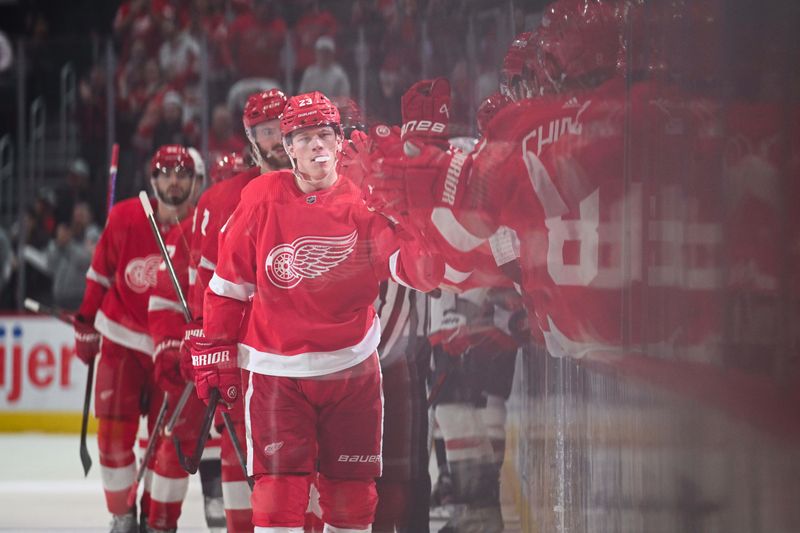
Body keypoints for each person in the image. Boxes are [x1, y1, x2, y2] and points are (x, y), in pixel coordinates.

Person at [190, 91, 444, 532]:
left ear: (340, 140)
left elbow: (418, 272)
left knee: (351, 498)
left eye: (324, 135)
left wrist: (406, 212)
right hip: (277, 374)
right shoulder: (260, 198)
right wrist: (217, 351)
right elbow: (228, 288)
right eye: (304, 138)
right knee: (277, 497)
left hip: (351, 371)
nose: (316, 146)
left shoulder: (365, 201)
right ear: (287, 148)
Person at [73, 144, 198, 532]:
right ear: (152, 179)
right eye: (165, 173)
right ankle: (123, 517)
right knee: (111, 437)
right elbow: (99, 276)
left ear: (194, 182)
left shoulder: (202, 226)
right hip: (122, 339)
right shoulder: (125, 217)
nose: (173, 181)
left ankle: (162, 521)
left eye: (181, 173)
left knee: (174, 445)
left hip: (176, 350)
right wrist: (86, 322)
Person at [187, 88, 291, 533]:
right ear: (251, 139)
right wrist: (205, 341)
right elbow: (205, 287)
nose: (277, 140)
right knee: (237, 451)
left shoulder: (322, 189)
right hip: (248, 354)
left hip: (303, 352)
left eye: (282, 129)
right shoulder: (220, 199)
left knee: (299, 466)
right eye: (266, 132)